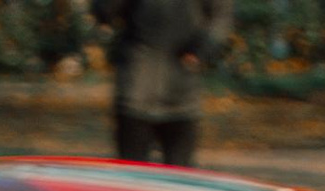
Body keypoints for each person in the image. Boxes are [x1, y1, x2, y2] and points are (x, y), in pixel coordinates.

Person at [95, 0, 232, 168]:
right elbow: (106, 10)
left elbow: (220, 21)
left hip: (174, 89)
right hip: (140, 89)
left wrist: (199, 50)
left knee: (176, 174)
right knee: (134, 173)